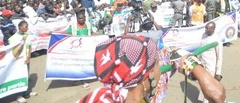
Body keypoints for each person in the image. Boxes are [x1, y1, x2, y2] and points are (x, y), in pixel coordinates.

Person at [78, 34, 226, 103]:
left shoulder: (112, 87)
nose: (160, 65)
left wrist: (202, 75)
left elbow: (170, 53)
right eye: (156, 63)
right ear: (146, 76)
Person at [9, 21, 37, 103]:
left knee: (26, 75)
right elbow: (15, 52)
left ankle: (26, 92)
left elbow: (29, 46)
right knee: (19, 76)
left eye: (27, 26)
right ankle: (19, 95)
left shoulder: (27, 35)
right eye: (25, 26)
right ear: (20, 26)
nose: (27, 28)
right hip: (18, 60)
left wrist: (29, 56)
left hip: (26, 59)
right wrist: (22, 41)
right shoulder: (13, 38)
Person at [198, 21, 223, 103]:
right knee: (202, 85)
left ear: (213, 29)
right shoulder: (203, 35)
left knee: (209, 88)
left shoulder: (217, 40)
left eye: (208, 28)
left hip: (211, 67)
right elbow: (201, 49)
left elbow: (219, 57)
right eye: (206, 28)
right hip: (202, 65)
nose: (206, 30)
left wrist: (218, 73)